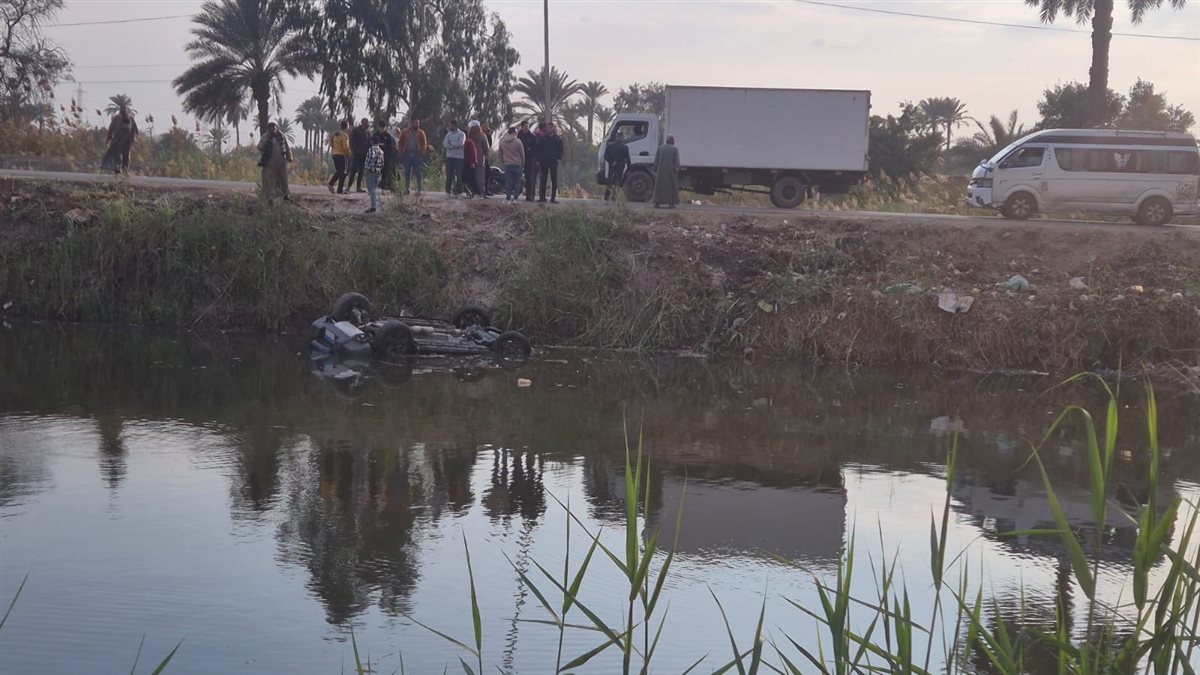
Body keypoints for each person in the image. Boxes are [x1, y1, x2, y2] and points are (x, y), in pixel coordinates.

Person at [257, 121, 292, 204]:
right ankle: (269, 198)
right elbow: (259, 147)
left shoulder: (281, 136)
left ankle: (285, 195)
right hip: (269, 162)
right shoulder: (265, 137)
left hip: (280, 162)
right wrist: (267, 141)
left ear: (276, 128)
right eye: (271, 128)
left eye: (274, 128)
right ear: (268, 129)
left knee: (282, 179)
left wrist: (289, 156)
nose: (272, 130)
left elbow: (286, 147)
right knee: (269, 180)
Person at [100, 105, 139, 174]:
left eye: (125, 108)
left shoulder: (130, 118)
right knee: (117, 156)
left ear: (127, 109)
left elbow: (134, 129)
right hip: (118, 140)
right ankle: (117, 169)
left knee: (126, 156)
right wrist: (108, 138)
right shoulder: (116, 118)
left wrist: (134, 137)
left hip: (127, 141)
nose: (123, 110)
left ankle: (125, 170)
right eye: (122, 108)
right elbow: (111, 129)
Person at [398, 117, 428, 195]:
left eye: (418, 123)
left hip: (417, 155)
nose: (417, 125)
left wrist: (422, 153)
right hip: (407, 155)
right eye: (416, 123)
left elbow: (424, 144)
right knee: (407, 172)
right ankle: (407, 189)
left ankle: (419, 189)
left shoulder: (421, 132)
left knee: (418, 172)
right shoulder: (405, 132)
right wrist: (401, 153)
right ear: (411, 123)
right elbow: (400, 143)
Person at [537, 123, 564, 204]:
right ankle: (542, 197)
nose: (549, 129)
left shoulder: (557, 139)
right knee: (543, 179)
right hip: (544, 161)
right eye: (547, 127)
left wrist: (558, 158)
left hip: (553, 161)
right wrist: (539, 159)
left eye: (550, 127)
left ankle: (553, 198)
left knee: (554, 179)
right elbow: (539, 149)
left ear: (553, 128)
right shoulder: (543, 138)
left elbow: (561, 150)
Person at [498, 127, 525, 203]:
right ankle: (515, 199)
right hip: (517, 164)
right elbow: (522, 154)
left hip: (507, 164)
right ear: (514, 132)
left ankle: (508, 198)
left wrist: (503, 162)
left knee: (508, 182)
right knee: (517, 182)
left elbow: (500, 154)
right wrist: (523, 164)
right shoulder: (518, 142)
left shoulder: (502, 142)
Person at [652, 135, 681, 209]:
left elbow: (656, 160)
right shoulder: (674, 149)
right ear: (671, 141)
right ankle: (671, 203)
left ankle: (657, 203)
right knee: (671, 187)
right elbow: (677, 161)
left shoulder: (660, 148)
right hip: (671, 172)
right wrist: (676, 169)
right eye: (673, 140)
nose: (674, 141)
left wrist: (654, 169)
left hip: (661, 172)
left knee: (659, 187)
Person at [603, 130, 631, 201]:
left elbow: (605, 156)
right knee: (617, 181)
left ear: (616, 137)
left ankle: (606, 196)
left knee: (609, 180)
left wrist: (611, 162)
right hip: (620, 166)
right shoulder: (625, 147)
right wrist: (629, 168)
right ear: (622, 137)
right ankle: (614, 196)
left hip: (612, 165)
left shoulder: (610, 146)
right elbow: (627, 158)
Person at [347, 118, 371, 193]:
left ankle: (358, 187)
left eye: (367, 123)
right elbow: (351, 141)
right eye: (365, 123)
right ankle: (348, 187)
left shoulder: (367, 133)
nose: (367, 125)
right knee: (354, 170)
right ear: (362, 123)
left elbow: (369, 142)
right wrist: (354, 150)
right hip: (356, 154)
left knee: (361, 171)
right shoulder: (355, 130)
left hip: (364, 154)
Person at [372, 120, 396, 191]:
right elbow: (371, 145)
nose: (382, 129)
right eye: (381, 127)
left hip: (385, 157)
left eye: (383, 127)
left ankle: (383, 186)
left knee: (385, 172)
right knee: (376, 172)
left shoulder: (388, 136)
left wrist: (388, 156)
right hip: (376, 157)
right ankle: (374, 186)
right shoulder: (375, 135)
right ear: (378, 127)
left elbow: (390, 148)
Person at [468, 121, 489, 199]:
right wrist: (486, 156)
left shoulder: (469, 136)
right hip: (480, 159)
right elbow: (486, 148)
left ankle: (472, 193)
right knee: (480, 178)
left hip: (470, 160)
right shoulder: (482, 136)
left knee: (472, 178)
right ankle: (481, 193)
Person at [443, 119, 466, 195]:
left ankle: (459, 191)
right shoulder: (448, 134)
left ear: (454, 125)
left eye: (450, 125)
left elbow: (460, 143)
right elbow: (445, 144)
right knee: (449, 175)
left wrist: (451, 144)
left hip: (459, 158)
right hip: (449, 157)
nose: (449, 127)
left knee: (459, 175)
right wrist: (454, 145)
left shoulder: (462, 134)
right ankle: (448, 191)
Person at [517, 120, 538, 202]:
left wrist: (535, 158)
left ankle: (530, 195)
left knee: (530, 178)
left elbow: (536, 148)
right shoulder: (519, 136)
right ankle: (520, 194)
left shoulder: (532, 137)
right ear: (522, 127)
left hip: (530, 159)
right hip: (520, 159)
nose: (526, 128)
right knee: (522, 177)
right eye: (525, 126)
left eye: (527, 126)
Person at [328, 120, 351, 194]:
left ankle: (331, 184)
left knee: (339, 171)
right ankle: (339, 189)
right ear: (346, 127)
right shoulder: (344, 135)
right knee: (343, 172)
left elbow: (331, 143)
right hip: (341, 155)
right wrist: (348, 154)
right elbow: (345, 147)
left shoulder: (335, 134)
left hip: (335, 154)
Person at [363, 141, 384, 213]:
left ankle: (373, 207)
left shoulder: (371, 149)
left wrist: (366, 169)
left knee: (371, 190)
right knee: (374, 189)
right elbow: (382, 163)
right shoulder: (381, 151)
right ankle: (377, 205)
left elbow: (370, 159)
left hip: (371, 172)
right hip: (378, 172)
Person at [461, 131, 481, 198]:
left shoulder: (469, 142)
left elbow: (473, 153)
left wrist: (473, 162)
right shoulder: (463, 143)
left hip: (470, 163)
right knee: (463, 179)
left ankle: (477, 193)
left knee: (472, 179)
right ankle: (462, 191)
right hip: (465, 163)